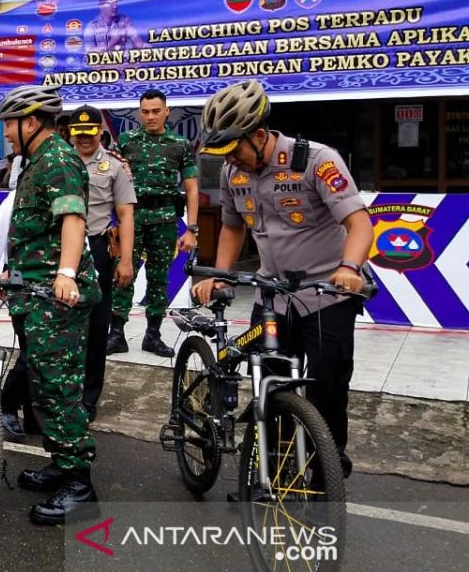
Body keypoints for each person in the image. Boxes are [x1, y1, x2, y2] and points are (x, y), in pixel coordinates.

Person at [191, 80, 370, 480]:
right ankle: (275, 471)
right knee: (269, 389)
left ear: (258, 136)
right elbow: (233, 227)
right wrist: (220, 276)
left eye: (235, 149)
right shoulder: (233, 171)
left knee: (327, 391)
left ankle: (326, 474)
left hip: (326, 297)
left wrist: (350, 268)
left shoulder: (317, 161)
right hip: (272, 298)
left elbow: (359, 224)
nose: (231, 160)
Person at [0, 84, 102, 525]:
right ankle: (61, 464)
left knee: (58, 389)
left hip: (56, 298)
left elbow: (72, 218)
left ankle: (79, 484)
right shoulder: (35, 161)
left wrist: (65, 275)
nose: (4, 133)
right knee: (42, 384)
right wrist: (13, 272)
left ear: (32, 122)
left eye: (9, 124)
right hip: (34, 292)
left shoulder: (57, 160)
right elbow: (35, 229)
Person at [108, 89, 198, 358]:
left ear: (167, 111)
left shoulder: (179, 145)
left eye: (156, 111)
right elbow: (109, 180)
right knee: (123, 275)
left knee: (159, 279)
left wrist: (192, 230)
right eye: (145, 112)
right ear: (139, 113)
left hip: (164, 220)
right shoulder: (125, 141)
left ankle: (153, 336)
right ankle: (116, 335)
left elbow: (192, 189)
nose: (150, 117)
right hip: (131, 219)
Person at [68, 106, 136, 418]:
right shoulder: (58, 161)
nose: (83, 139)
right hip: (60, 250)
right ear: (71, 133)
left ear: (100, 132)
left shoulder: (114, 166)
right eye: (78, 133)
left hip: (96, 248)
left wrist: (125, 260)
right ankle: (62, 392)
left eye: (89, 133)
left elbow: (125, 214)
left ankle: (89, 398)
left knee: (96, 326)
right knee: (61, 324)